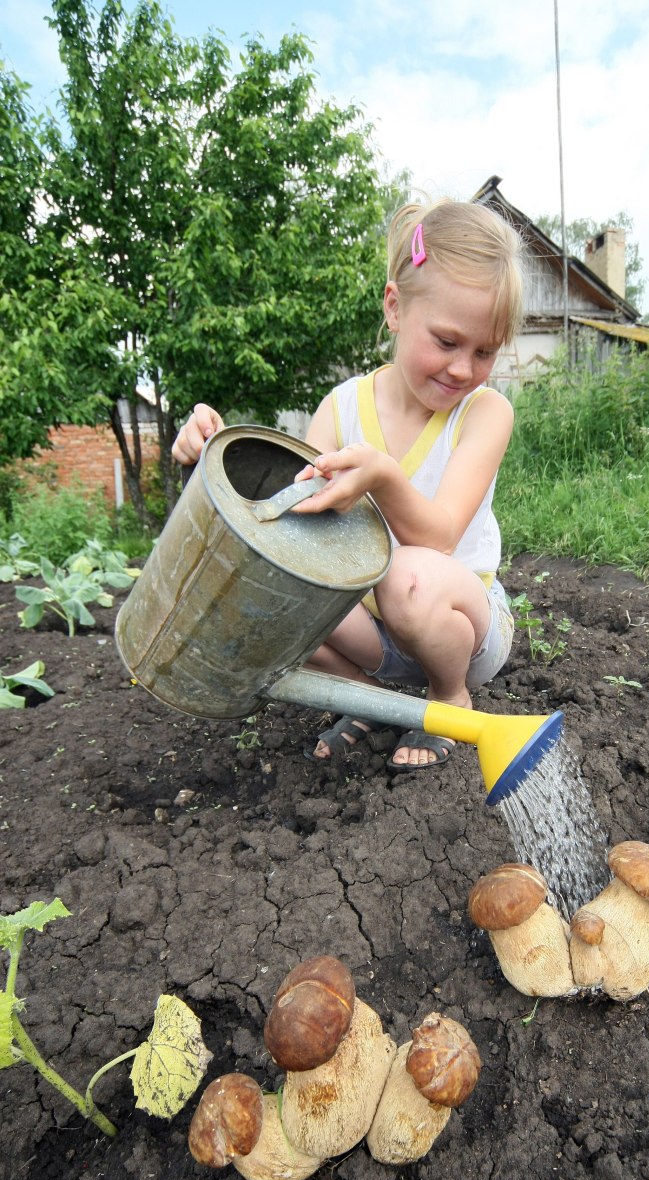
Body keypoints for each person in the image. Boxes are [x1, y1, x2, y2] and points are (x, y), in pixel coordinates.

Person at [172, 198, 524, 773]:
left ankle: (449, 699)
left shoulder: (484, 413)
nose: (463, 368)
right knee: (279, 599)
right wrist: (205, 455)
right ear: (395, 307)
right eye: (446, 342)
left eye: (484, 351)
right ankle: (370, 701)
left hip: (459, 630)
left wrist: (383, 476)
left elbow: (439, 536)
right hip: (370, 634)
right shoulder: (341, 409)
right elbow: (294, 525)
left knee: (407, 574)